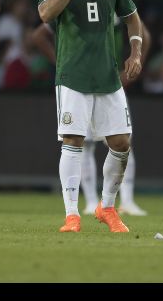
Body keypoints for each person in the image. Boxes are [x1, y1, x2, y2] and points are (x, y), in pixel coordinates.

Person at [38, 0, 143, 233]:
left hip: (107, 75)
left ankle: (107, 207)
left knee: (121, 142)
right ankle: (72, 215)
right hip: (73, 76)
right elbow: (45, 14)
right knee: (73, 141)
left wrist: (135, 52)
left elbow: (132, 18)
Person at [32, 21, 151, 216]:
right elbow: (39, 35)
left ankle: (126, 201)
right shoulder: (69, 6)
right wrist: (61, 63)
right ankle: (91, 202)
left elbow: (142, 31)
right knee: (83, 145)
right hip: (78, 82)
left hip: (109, 81)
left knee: (123, 142)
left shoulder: (114, 4)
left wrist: (134, 63)